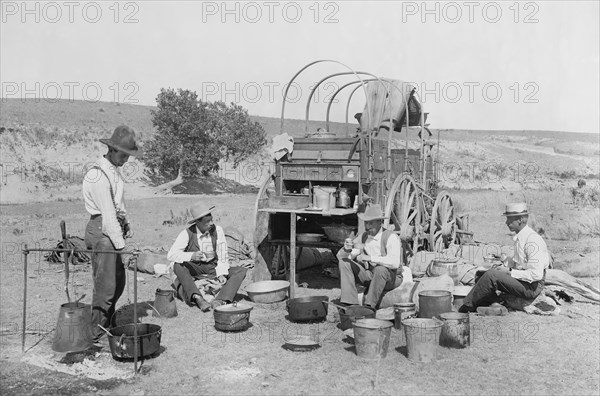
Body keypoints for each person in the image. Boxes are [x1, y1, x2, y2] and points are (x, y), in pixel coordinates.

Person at [82, 125, 141, 340]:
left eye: (128, 156)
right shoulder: (98, 176)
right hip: (102, 232)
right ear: (111, 150)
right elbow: (107, 216)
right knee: (105, 286)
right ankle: (96, 331)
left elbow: (117, 207)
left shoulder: (112, 170)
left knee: (118, 282)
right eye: (123, 155)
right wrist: (123, 248)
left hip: (113, 230)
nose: (126, 160)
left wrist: (126, 225)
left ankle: (108, 321)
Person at [459, 202, 550, 313]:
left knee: (492, 275)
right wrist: (502, 258)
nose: (506, 223)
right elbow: (519, 263)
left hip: (532, 287)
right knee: (481, 274)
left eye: (509, 219)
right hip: (525, 281)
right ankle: (493, 304)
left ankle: (465, 307)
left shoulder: (533, 240)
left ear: (520, 219)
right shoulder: (521, 237)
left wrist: (509, 272)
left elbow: (536, 274)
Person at [167, 203, 247, 311]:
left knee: (240, 270)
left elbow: (223, 254)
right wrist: (191, 255)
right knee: (177, 266)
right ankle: (197, 297)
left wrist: (222, 273)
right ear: (198, 222)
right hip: (194, 268)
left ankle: (220, 300)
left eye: (212, 220)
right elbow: (171, 254)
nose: (211, 223)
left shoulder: (217, 230)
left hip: (212, 267)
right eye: (207, 222)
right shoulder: (187, 233)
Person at [336, 204, 403, 308]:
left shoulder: (391, 237)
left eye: (371, 223)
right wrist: (346, 249)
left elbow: (395, 263)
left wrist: (371, 258)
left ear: (379, 222)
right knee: (344, 263)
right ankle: (349, 303)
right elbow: (341, 257)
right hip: (370, 275)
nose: (367, 226)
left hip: (390, 278)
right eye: (366, 223)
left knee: (380, 270)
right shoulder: (364, 236)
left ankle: (369, 307)